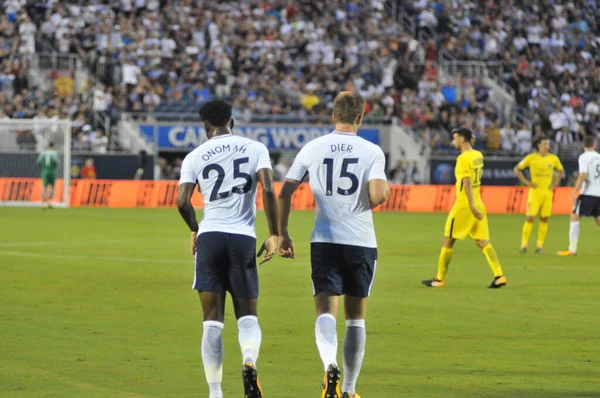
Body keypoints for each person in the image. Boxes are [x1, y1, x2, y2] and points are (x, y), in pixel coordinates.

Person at [277, 92, 390, 398]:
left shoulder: (313, 147)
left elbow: (285, 192)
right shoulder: (372, 151)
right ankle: (350, 390)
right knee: (356, 317)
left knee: (325, 311)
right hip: (361, 242)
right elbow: (379, 196)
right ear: (361, 118)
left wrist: (282, 233)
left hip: (324, 241)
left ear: (332, 116)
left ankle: (329, 365)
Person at [177, 100, 278, 398]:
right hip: (242, 238)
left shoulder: (195, 156)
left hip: (210, 237)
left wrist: (195, 229)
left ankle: (215, 392)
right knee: (248, 317)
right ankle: (249, 361)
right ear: (231, 121)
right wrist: (275, 234)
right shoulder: (255, 148)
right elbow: (269, 189)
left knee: (212, 321)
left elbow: (182, 202)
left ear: (206, 126)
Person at [422, 127, 506, 288]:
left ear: (462, 139)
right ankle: (499, 275)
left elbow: (466, 181)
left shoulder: (462, 158)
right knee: (482, 241)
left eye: (455, 138)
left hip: (465, 204)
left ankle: (439, 279)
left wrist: (471, 205)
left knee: (448, 239)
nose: (453, 141)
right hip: (479, 201)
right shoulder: (478, 155)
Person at [513, 137, 565, 253]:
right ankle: (524, 245)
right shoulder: (531, 158)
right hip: (535, 193)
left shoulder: (553, 159)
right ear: (538, 145)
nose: (547, 146)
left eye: (548, 144)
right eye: (545, 144)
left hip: (547, 193)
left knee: (545, 219)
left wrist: (554, 184)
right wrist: (526, 182)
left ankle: (539, 246)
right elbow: (516, 169)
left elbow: (561, 171)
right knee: (530, 217)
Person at [558, 136, 600, 256]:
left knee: (574, 217)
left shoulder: (584, 157)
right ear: (594, 145)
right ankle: (572, 249)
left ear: (583, 145)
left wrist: (575, 189)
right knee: (598, 220)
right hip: (598, 193)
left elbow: (583, 175)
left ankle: (572, 249)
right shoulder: (598, 157)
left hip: (588, 193)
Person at [36, 142, 58, 209]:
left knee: (44, 188)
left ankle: (43, 203)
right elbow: (55, 162)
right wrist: (53, 168)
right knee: (52, 187)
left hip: (45, 172)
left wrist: (44, 167)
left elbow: (38, 162)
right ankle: (49, 202)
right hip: (52, 172)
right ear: (53, 146)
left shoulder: (43, 153)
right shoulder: (54, 153)